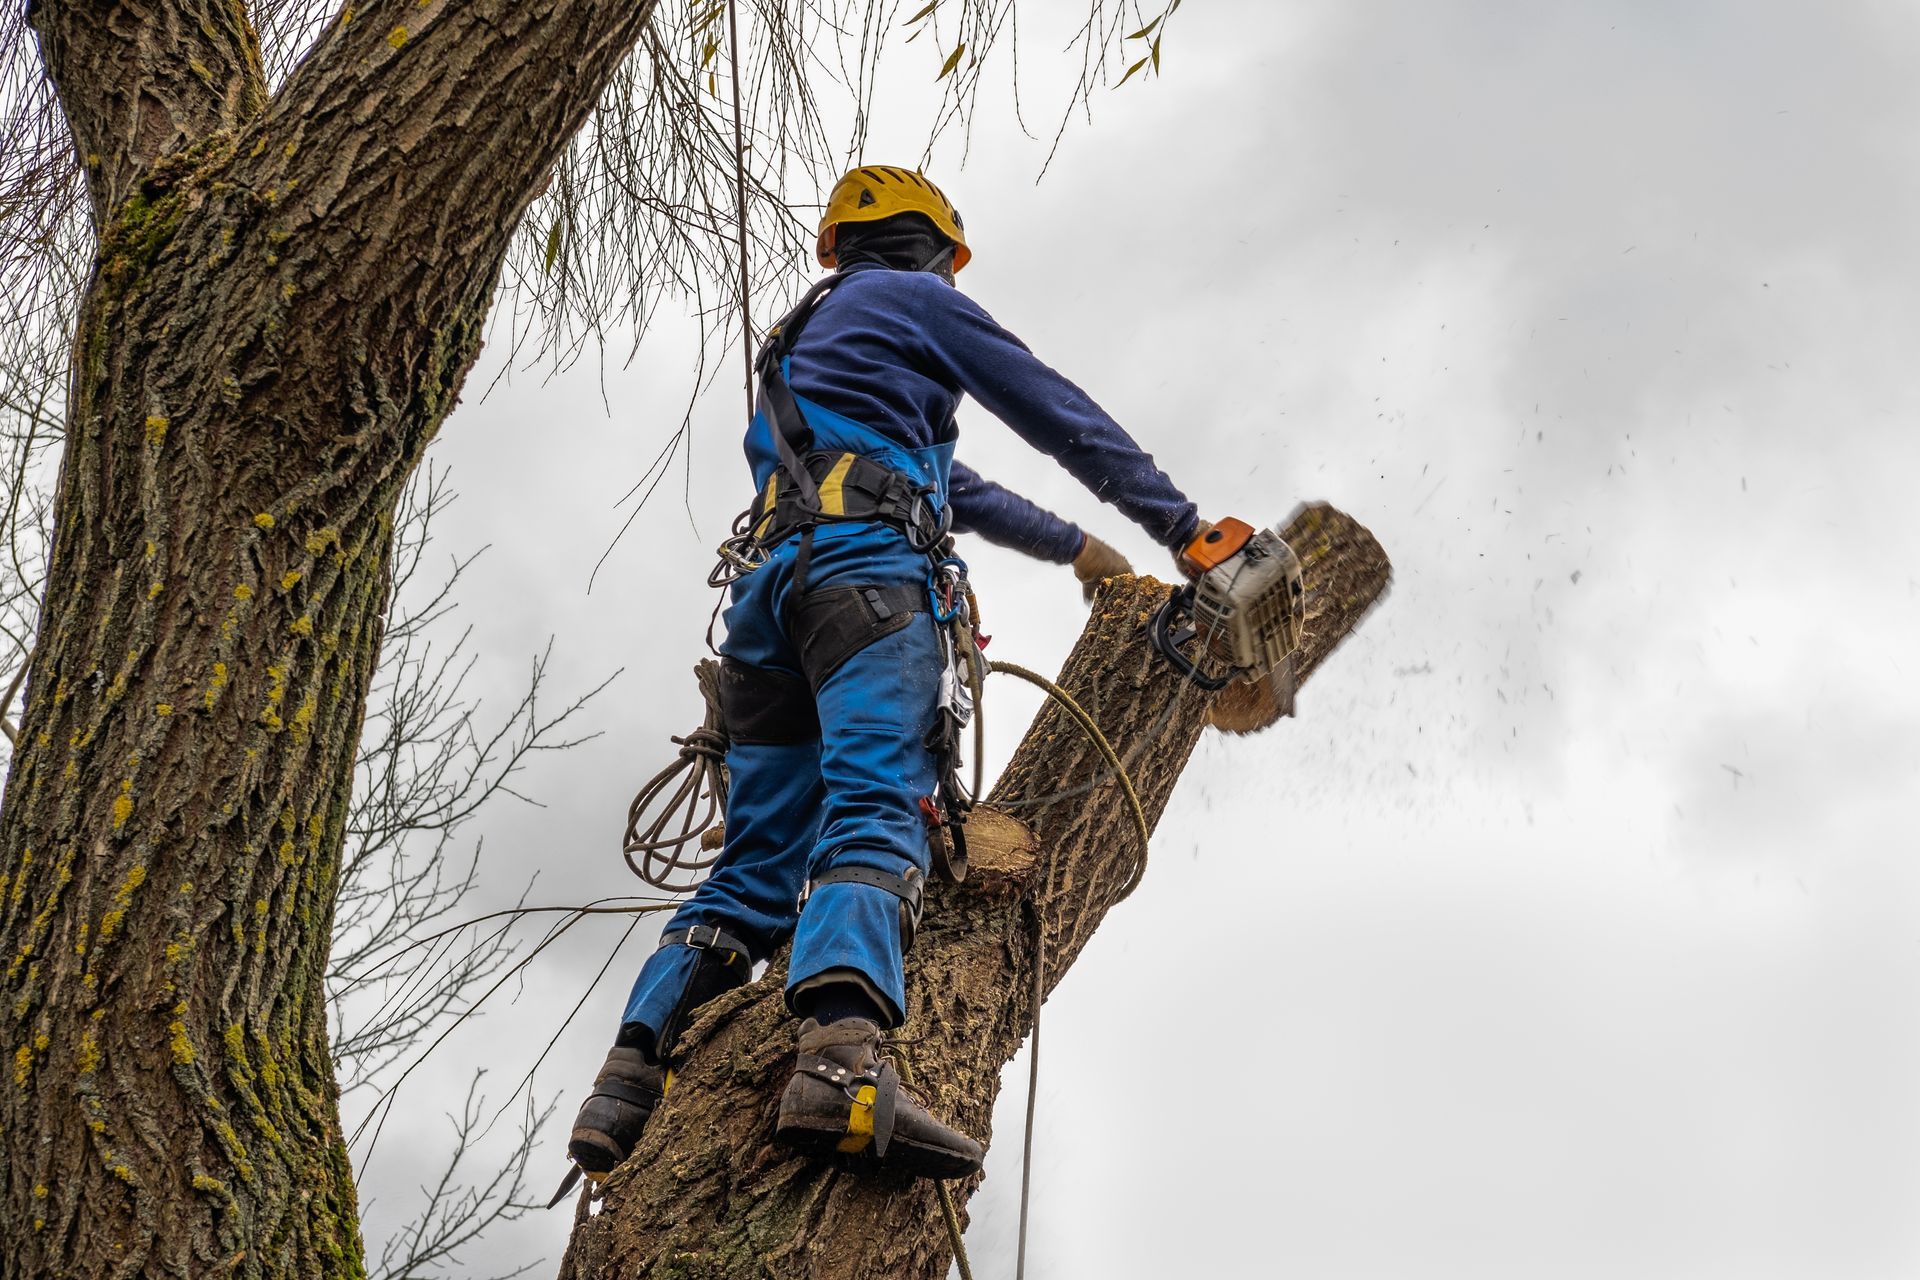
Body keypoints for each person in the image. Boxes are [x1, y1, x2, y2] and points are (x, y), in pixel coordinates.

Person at [565, 165, 1205, 1185]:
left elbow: (958, 487)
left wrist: (1079, 546)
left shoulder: (809, 350)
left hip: (770, 605)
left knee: (760, 856)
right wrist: (1183, 528)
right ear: (942, 254)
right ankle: (841, 1062)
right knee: (878, 799)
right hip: (869, 587)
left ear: (839, 249)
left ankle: (626, 1077)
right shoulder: (916, 303)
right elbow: (1050, 406)